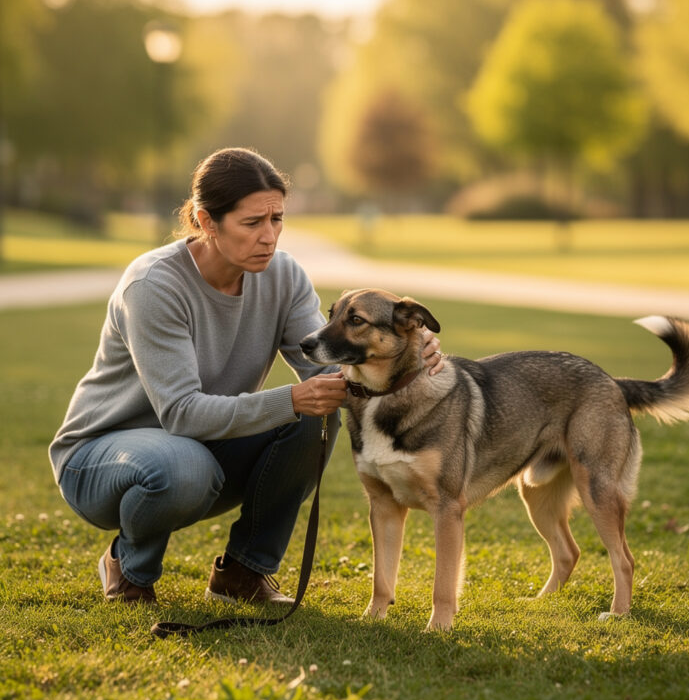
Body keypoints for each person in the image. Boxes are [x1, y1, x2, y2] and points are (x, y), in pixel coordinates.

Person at [49, 147, 442, 605]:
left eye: (276, 219)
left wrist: (405, 351)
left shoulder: (283, 276)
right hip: (102, 456)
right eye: (252, 223)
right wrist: (292, 399)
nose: (269, 236)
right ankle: (129, 568)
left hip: (199, 447)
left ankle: (243, 572)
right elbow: (180, 413)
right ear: (206, 221)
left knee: (315, 415)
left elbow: (330, 371)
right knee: (188, 463)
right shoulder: (154, 285)